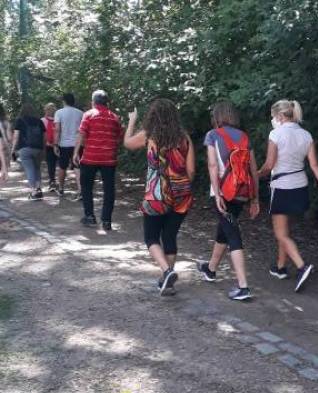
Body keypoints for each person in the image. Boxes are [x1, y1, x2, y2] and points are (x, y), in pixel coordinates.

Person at [258, 100, 318, 292]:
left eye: (274, 116)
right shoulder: (306, 135)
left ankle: (302, 267)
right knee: (285, 231)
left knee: (280, 234)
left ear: (281, 116)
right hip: (300, 186)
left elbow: (269, 165)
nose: (273, 120)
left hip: (281, 186)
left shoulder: (276, 134)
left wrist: (253, 176)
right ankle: (280, 267)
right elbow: (314, 165)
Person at [124, 99, 195, 295]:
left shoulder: (149, 135)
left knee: (151, 237)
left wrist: (131, 121)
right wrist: (180, 185)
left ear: (153, 116)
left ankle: (167, 271)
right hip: (181, 194)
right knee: (170, 236)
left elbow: (127, 144)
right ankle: (167, 282)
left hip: (156, 195)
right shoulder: (184, 138)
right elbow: (191, 170)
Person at [198, 101, 260, 301]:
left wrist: (217, 195)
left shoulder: (213, 135)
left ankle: (243, 286)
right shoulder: (244, 137)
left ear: (217, 117)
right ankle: (210, 269)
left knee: (232, 232)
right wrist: (255, 199)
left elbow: (213, 166)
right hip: (242, 191)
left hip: (224, 191)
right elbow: (253, 171)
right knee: (224, 229)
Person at [73, 90, 123, 231]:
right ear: (107, 102)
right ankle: (106, 221)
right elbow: (119, 137)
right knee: (109, 189)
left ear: (93, 102)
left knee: (87, 186)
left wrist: (76, 152)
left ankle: (89, 217)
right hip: (109, 159)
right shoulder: (114, 117)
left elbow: (82, 134)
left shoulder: (88, 115)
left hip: (90, 157)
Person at [11, 104, 46, 200]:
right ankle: (39, 190)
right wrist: (43, 149)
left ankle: (33, 192)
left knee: (29, 169)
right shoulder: (39, 121)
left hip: (25, 149)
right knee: (37, 168)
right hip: (38, 149)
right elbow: (44, 137)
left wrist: (13, 149)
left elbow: (16, 137)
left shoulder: (20, 120)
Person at [54, 93, 83, 199]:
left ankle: (61, 189)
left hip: (64, 144)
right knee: (77, 167)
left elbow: (57, 130)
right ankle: (81, 191)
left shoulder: (59, 113)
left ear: (64, 101)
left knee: (62, 167)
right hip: (77, 144)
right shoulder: (80, 113)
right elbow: (82, 130)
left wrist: (55, 144)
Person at [41, 103, 58, 191]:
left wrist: (46, 143)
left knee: (50, 164)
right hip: (58, 144)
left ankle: (52, 181)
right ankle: (54, 181)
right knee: (57, 164)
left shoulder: (42, 120)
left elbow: (41, 134)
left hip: (48, 145)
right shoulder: (58, 119)